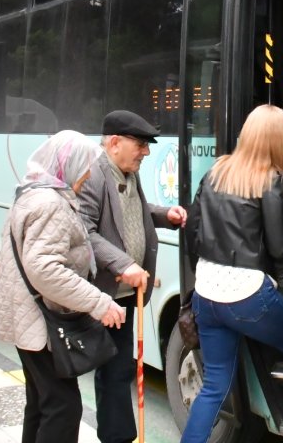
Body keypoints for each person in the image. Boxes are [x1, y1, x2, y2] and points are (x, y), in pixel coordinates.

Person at [0, 130, 127, 443]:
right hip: (41, 323)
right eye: (85, 168)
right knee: (63, 408)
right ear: (69, 165)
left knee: (42, 404)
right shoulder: (51, 204)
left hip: (27, 317)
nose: (88, 176)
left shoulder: (32, 193)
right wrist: (98, 302)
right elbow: (45, 269)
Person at [182, 104, 283, 443]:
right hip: (248, 297)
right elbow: (280, 249)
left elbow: (193, 229)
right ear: (279, 140)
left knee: (214, 385)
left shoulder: (217, 171)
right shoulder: (274, 180)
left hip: (207, 294)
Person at [76, 110, 187, 443]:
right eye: (140, 144)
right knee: (110, 371)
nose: (146, 152)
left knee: (120, 368)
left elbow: (136, 212)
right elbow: (84, 232)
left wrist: (165, 215)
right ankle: (116, 437)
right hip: (104, 294)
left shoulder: (127, 172)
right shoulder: (94, 175)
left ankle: (119, 436)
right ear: (115, 143)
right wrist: (123, 264)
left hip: (125, 294)